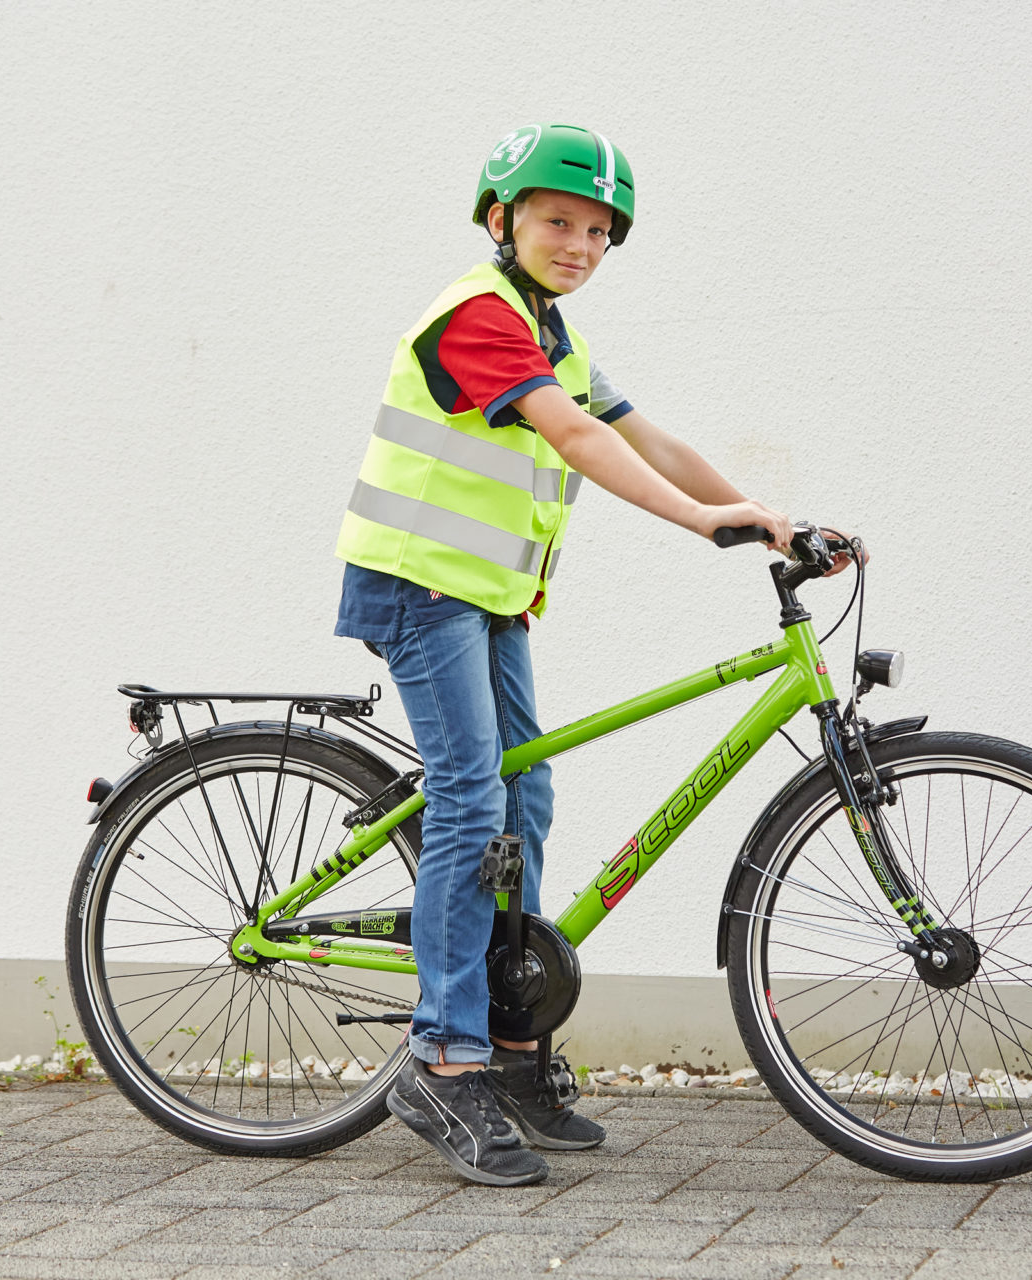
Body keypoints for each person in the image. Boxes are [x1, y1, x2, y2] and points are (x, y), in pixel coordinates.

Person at [333, 123, 850, 1185]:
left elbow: (641, 430)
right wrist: (697, 524)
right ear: (500, 220)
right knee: (473, 801)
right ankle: (441, 1054)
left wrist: (760, 513)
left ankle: (512, 1050)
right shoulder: (477, 316)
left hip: (487, 599)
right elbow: (574, 437)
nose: (578, 241)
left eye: (597, 229)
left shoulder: (546, 330)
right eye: (557, 221)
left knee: (528, 801)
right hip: (419, 591)